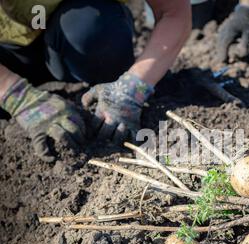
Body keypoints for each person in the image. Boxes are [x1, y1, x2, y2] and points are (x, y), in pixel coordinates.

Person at [0, 0, 191, 162]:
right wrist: (17, 97)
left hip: (76, 32)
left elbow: (173, 12)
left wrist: (133, 87)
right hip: (7, 53)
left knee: (95, 32)